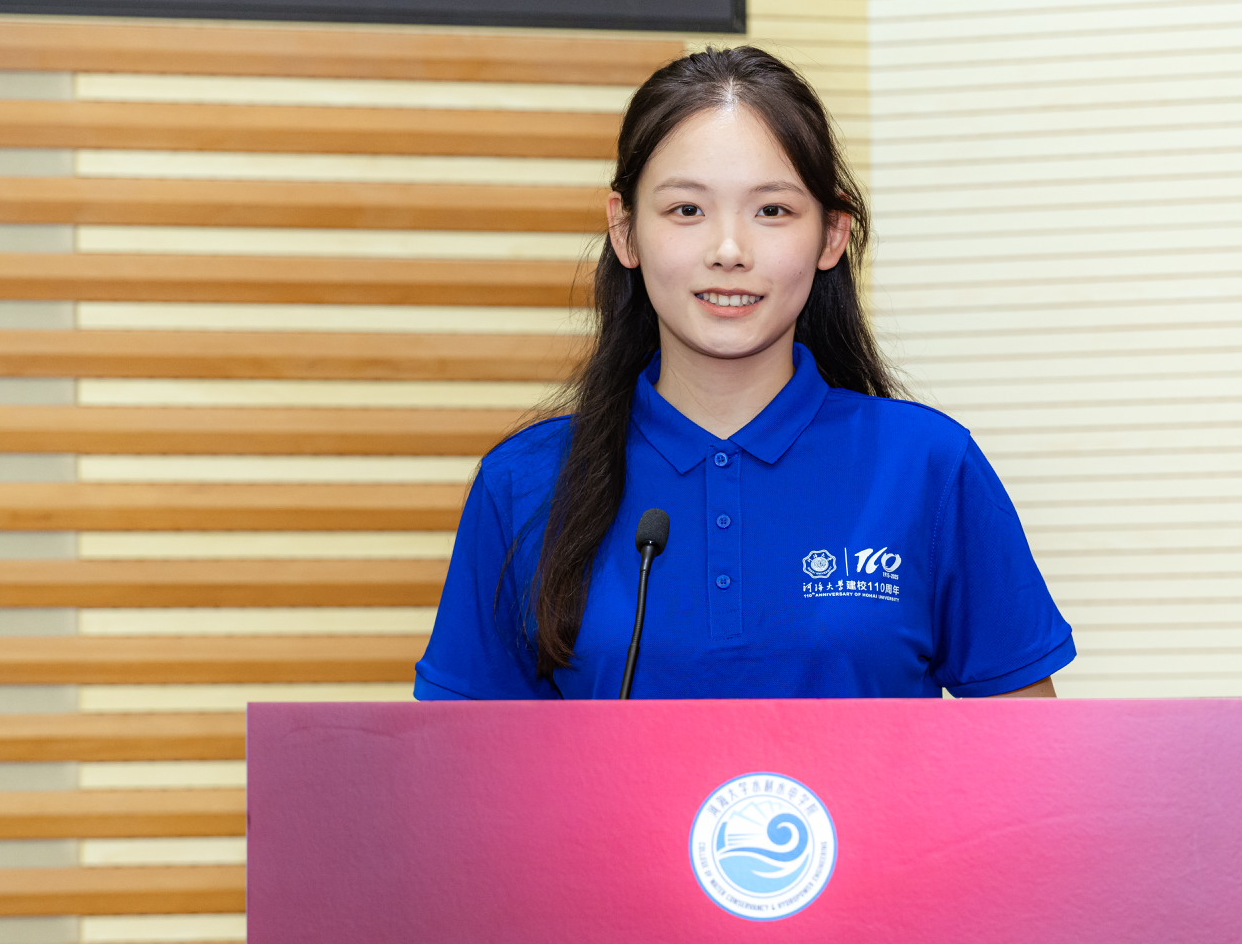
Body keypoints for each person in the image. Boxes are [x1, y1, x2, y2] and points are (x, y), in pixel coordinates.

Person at [412, 46, 1072, 701]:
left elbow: (1027, 755)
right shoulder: (523, 484)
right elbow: (466, 761)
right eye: (687, 210)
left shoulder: (929, 466)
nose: (729, 251)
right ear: (625, 231)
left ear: (832, 235)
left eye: (772, 211)